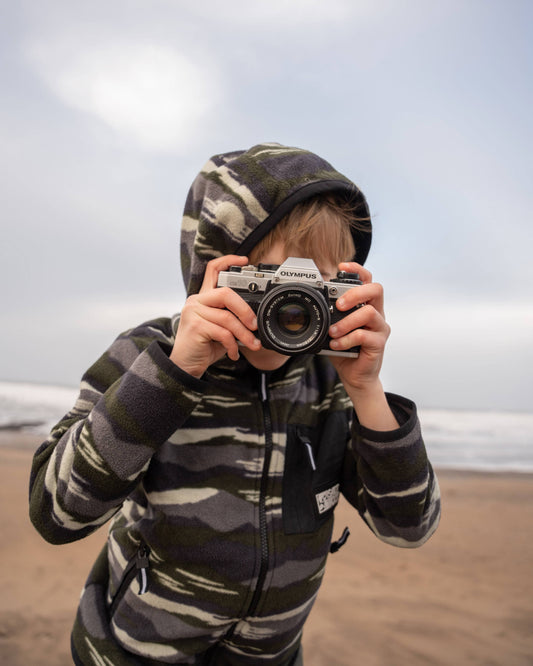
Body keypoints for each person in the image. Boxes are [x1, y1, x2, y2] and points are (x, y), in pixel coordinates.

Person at [29, 142, 441, 665]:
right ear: (215, 271)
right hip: (133, 651)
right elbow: (56, 514)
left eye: (315, 287)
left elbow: (409, 528)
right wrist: (174, 373)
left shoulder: (332, 381)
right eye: (269, 285)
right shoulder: (148, 357)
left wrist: (366, 389)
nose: (293, 310)